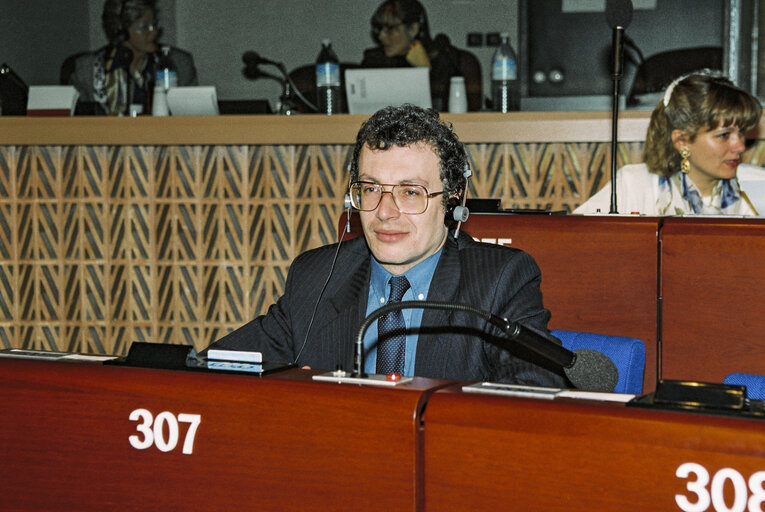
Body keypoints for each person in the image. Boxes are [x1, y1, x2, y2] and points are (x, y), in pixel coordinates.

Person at [205, 104, 566, 387]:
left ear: (453, 200)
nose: (384, 212)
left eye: (411, 192)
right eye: (371, 189)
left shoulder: (500, 281)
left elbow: (534, 394)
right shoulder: (316, 277)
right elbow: (215, 368)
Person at [575, 72, 764, 215]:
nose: (740, 146)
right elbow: (571, 243)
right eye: (723, 136)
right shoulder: (634, 185)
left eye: (741, 133)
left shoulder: (758, 186)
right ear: (682, 141)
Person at [64, 0, 197, 116]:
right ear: (120, 30)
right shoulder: (87, 69)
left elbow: (194, 116)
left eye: (154, 24)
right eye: (144, 27)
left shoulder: (178, 63)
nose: (154, 32)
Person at [360, 0, 483, 112]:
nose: (381, 36)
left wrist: (425, 71)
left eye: (389, 29)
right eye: (379, 29)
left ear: (413, 29)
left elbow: (465, 115)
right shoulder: (374, 61)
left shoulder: (457, 61)